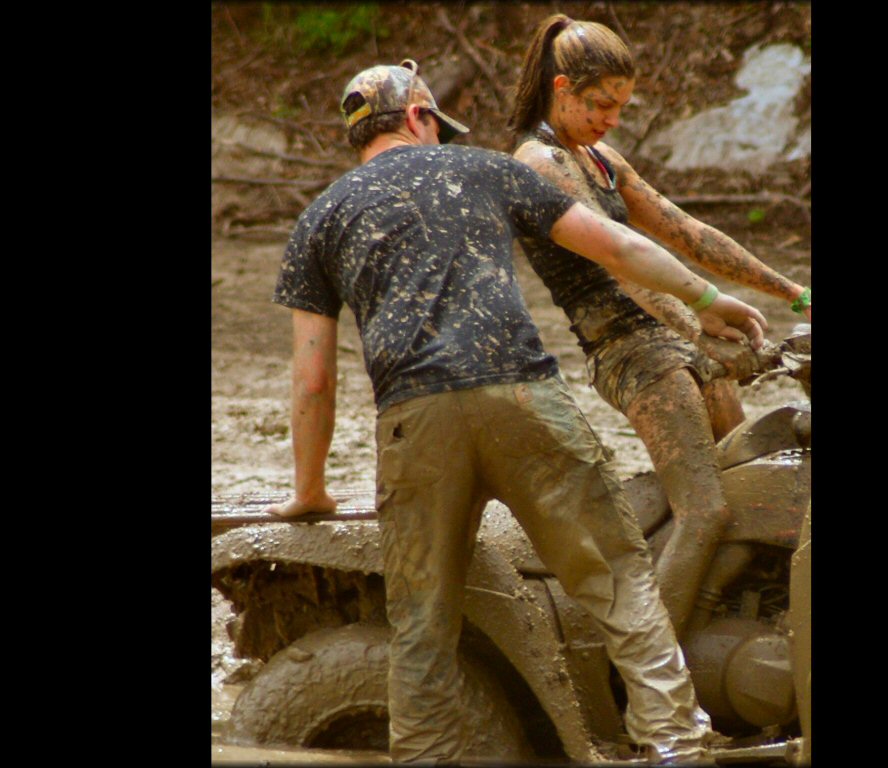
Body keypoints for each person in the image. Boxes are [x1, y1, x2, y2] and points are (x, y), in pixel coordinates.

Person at [263, 59, 767, 764]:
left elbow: (313, 380)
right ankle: (676, 747)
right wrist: (711, 302)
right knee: (621, 584)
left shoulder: (320, 219)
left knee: (422, 626)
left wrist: (309, 490)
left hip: (415, 418)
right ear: (418, 117)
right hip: (528, 400)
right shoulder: (485, 171)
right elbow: (618, 246)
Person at [508, 14, 812, 636]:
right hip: (630, 355)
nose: (610, 118)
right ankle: (653, 688)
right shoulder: (539, 163)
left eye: (620, 106)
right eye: (599, 104)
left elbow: (689, 235)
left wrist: (793, 291)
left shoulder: (600, 158)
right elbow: (622, 264)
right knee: (705, 511)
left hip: (674, 342)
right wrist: (701, 326)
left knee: (748, 484)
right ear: (560, 88)